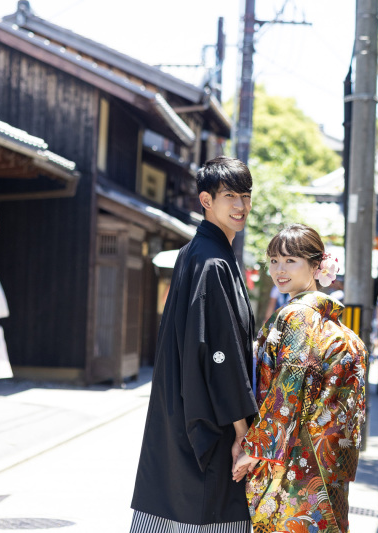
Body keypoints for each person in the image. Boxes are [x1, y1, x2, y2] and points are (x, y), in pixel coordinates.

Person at [130, 157, 258, 533]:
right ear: (206, 200)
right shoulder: (214, 263)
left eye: (246, 196)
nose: (241, 205)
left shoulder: (195, 253)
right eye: (230, 195)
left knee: (172, 509)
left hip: (180, 409)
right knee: (206, 512)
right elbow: (220, 353)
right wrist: (242, 431)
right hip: (210, 419)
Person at [232, 224, 368, 533]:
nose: (279, 270)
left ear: (317, 265)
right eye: (274, 260)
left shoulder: (297, 315)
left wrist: (254, 449)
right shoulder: (329, 322)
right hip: (327, 462)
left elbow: (289, 387)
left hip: (296, 461)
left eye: (290, 260)